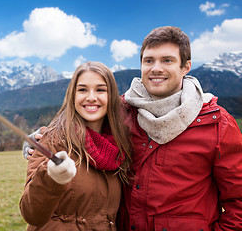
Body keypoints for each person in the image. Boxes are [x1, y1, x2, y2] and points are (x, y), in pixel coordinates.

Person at [23, 26, 242, 230]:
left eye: (167, 60)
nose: (156, 68)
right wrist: (38, 138)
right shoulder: (123, 112)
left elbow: (238, 202)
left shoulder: (215, 124)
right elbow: (81, 118)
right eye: (149, 61)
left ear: (186, 67)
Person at [19, 61, 132, 230]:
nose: (91, 97)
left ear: (111, 96)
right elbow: (31, 213)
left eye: (100, 89)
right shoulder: (53, 139)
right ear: (72, 95)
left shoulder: (118, 146)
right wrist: (51, 177)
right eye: (82, 90)